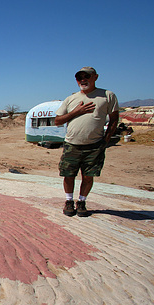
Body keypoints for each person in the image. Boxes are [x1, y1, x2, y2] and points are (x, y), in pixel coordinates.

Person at [54, 67, 119, 217]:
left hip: (94, 145)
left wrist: (106, 140)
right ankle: (69, 201)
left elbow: (114, 120)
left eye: (86, 76)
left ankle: (82, 202)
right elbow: (57, 121)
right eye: (79, 77)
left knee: (88, 176)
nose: (83, 80)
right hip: (72, 145)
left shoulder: (107, 96)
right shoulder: (71, 99)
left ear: (95, 77)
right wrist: (77, 112)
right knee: (68, 175)